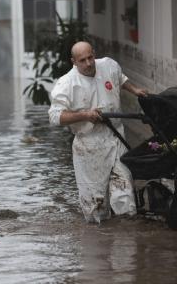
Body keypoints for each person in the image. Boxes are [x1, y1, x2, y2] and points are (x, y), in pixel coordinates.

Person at [48, 41, 148, 223]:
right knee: (96, 205)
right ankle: (98, 242)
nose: (88, 63)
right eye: (82, 60)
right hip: (89, 146)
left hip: (115, 137)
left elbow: (121, 78)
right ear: (73, 61)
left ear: (94, 54)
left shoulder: (108, 65)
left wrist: (135, 91)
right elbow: (55, 116)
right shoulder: (67, 83)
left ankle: (125, 241)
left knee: (124, 194)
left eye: (90, 57)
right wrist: (85, 115)